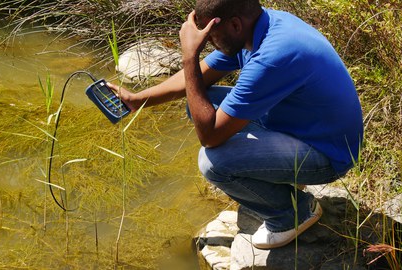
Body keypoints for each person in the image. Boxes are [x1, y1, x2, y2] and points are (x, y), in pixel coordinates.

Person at [107, 0, 363, 249]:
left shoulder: (273, 54)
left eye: (210, 34)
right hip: (304, 125)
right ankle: (284, 183)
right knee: (200, 105)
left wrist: (188, 56)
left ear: (235, 25)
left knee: (214, 163)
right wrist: (137, 99)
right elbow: (201, 77)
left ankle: (293, 214)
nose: (206, 41)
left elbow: (209, 136)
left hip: (328, 154)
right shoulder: (258, 26)